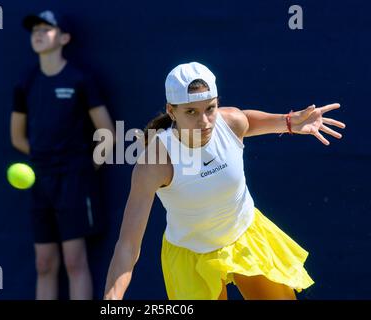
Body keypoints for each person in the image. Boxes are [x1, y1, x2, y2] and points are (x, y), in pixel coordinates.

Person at [104, 62, 345, 300]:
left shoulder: (231, 122)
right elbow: (127, 246)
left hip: (246, 235)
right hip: (191, 256)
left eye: (210, 108)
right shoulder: (155, 163)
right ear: (171, 111)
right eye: (191, 112)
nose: (205, 122)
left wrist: (290, 122)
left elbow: (250, 120)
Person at [10, 10, 115, 300]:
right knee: (44, 263)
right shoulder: (26, 82)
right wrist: (46, 160)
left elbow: (107, 131)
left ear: (65, 38)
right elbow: (17, 137)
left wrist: (84, 168)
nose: (39, 34)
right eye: (35, 30)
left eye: (47, 28)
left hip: (75, 180)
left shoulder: (80, 79)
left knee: (74, 261)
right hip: (41, 180)